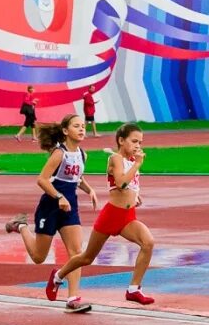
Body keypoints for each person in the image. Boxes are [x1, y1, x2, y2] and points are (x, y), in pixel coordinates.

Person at [45, 122, 156, 311]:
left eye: (140, 142)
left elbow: (129, 186)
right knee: (87, 257)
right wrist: (137, 164)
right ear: (121, 141)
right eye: (134, 141)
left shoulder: (130, 161)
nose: (138, 146)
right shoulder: (116, 158)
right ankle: (58, 277)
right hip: (112, 215)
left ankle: (133, 289)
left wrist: (135, 196)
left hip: (128, 216)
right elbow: (120, 183)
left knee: (148, 242)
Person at [5, 114, 99, 310]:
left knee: (76, 252)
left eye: (83, 126)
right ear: (65, 131)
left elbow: (77, 178)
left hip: (69, 207)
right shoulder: (59, 153)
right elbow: (42, 180)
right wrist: (59, 197)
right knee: (39, 257)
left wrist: (90, 190)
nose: (82, 129)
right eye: (76, 126)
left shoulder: (83, 154)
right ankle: (21, 225)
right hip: (50, 206)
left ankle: (73, 298)